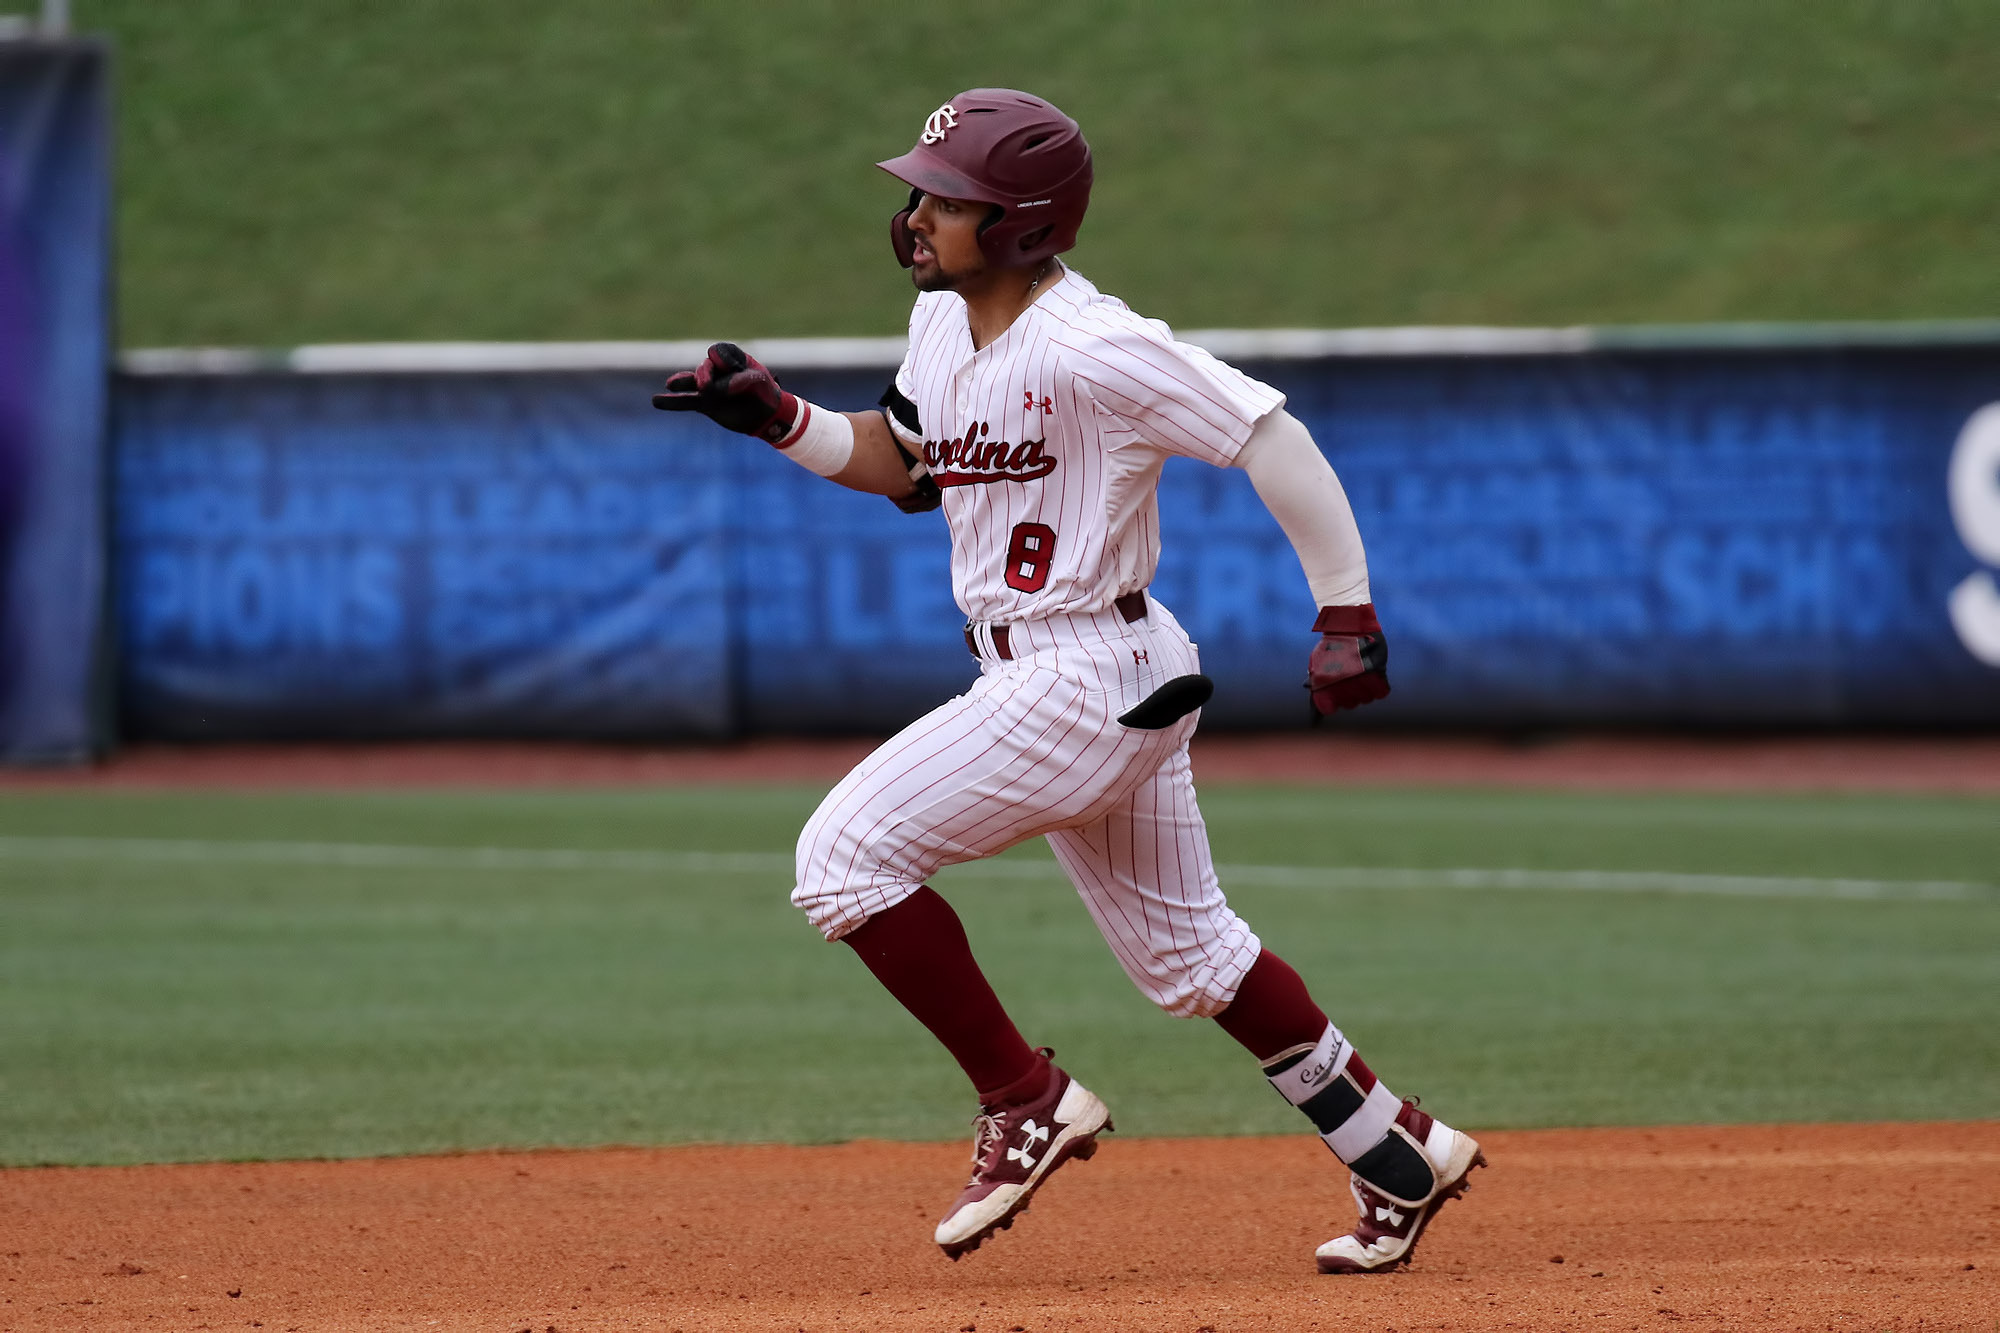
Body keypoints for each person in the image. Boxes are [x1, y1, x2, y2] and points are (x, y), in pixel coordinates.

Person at [652, 88, 1482, 1273]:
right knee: (1192, 966)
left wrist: (1345, 610)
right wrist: (780, 417)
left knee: (839, 861)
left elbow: (1268, 435)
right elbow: (907, 466)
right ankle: (1396, 1145)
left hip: (1079, 673)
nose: (916, 215)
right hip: (1101, 673)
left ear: (1022, 224)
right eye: (921, 192)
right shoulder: (941, 324)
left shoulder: (1093, 343)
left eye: (948, 199)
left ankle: (1023, 1095)